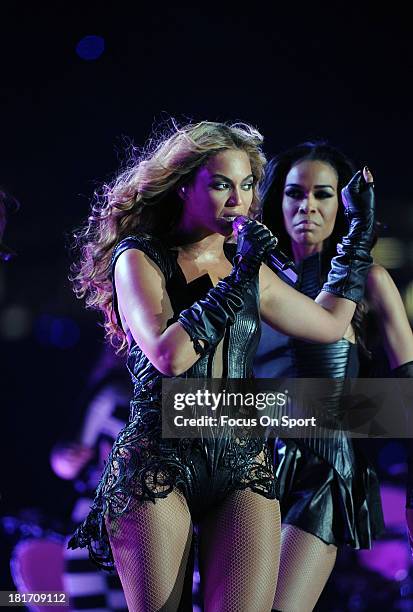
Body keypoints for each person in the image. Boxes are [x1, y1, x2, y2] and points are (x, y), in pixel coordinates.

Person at [68, 121, 375, 611]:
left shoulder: (249, 266)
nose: (239, 200)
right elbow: (170, 356)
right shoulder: (139, 258)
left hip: (241, 464)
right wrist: (240, 279)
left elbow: (331, 324)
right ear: (184, 185)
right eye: (221, 184)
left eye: (248, 185)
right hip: (159, 459)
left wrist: (357, 236)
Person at [254, 140, 413, 612]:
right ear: (275, 200)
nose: (307, 206)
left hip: (323, 468)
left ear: (342, 203)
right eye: (294, 193)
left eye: (323, 194)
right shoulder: (252, 278)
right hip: (249, 467)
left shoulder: (370, 281)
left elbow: (408, 383)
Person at [50, 346, 129, 611]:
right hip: (93, 518)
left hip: (142, 519)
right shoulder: (107, 390)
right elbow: (69, 459)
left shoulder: (185, 392)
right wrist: (62, 459)